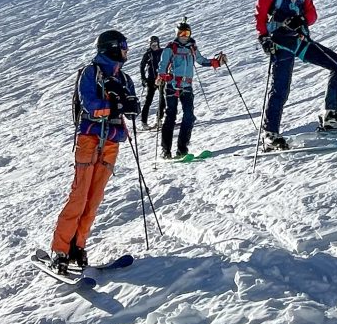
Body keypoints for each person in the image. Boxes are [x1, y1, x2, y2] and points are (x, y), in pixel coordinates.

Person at [50, 28, 140, 273]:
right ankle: (60, 249)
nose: (126, 51)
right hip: (90, 137)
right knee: (80, 195)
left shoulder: (124, 78)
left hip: (111, 141)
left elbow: (132, 106)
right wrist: (116, 105)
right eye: (123, 47)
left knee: (94, 198)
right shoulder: (91, 73)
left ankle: (78, 246)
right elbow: (90, 105)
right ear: (111, 47)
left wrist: (130, 106)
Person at [256, 0, 337, 150]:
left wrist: (302, 20)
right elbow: (260, 18)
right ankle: (270, 133)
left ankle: (332, 115)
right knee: (281, 88)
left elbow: (312, 13)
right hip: (281, 43)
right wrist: (264, 38)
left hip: (301, 40)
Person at [156, 19, 224, 158]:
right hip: (172, 87)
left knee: (189, 116)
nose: (184, 35)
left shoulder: (192, 47)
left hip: (187, 86)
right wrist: (164, 76)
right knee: (171, 117)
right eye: (181, 33)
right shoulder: (170, 48)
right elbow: (162, 66)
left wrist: (216, 62)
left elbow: (201, 60)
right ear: (177, 34)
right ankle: (166, 151)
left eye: (187, 33)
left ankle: (182, 149)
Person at [137, 35, 165, 130]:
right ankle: (144, 122)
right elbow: (142, 66)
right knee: (148, 100)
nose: (154, 47)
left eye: (156, 45)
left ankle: (159, 119)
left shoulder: (162, 52)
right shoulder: (148, 54)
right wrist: (143, 78)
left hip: (161, 78)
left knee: (162, 100)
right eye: (152, 45)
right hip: (151, 80)